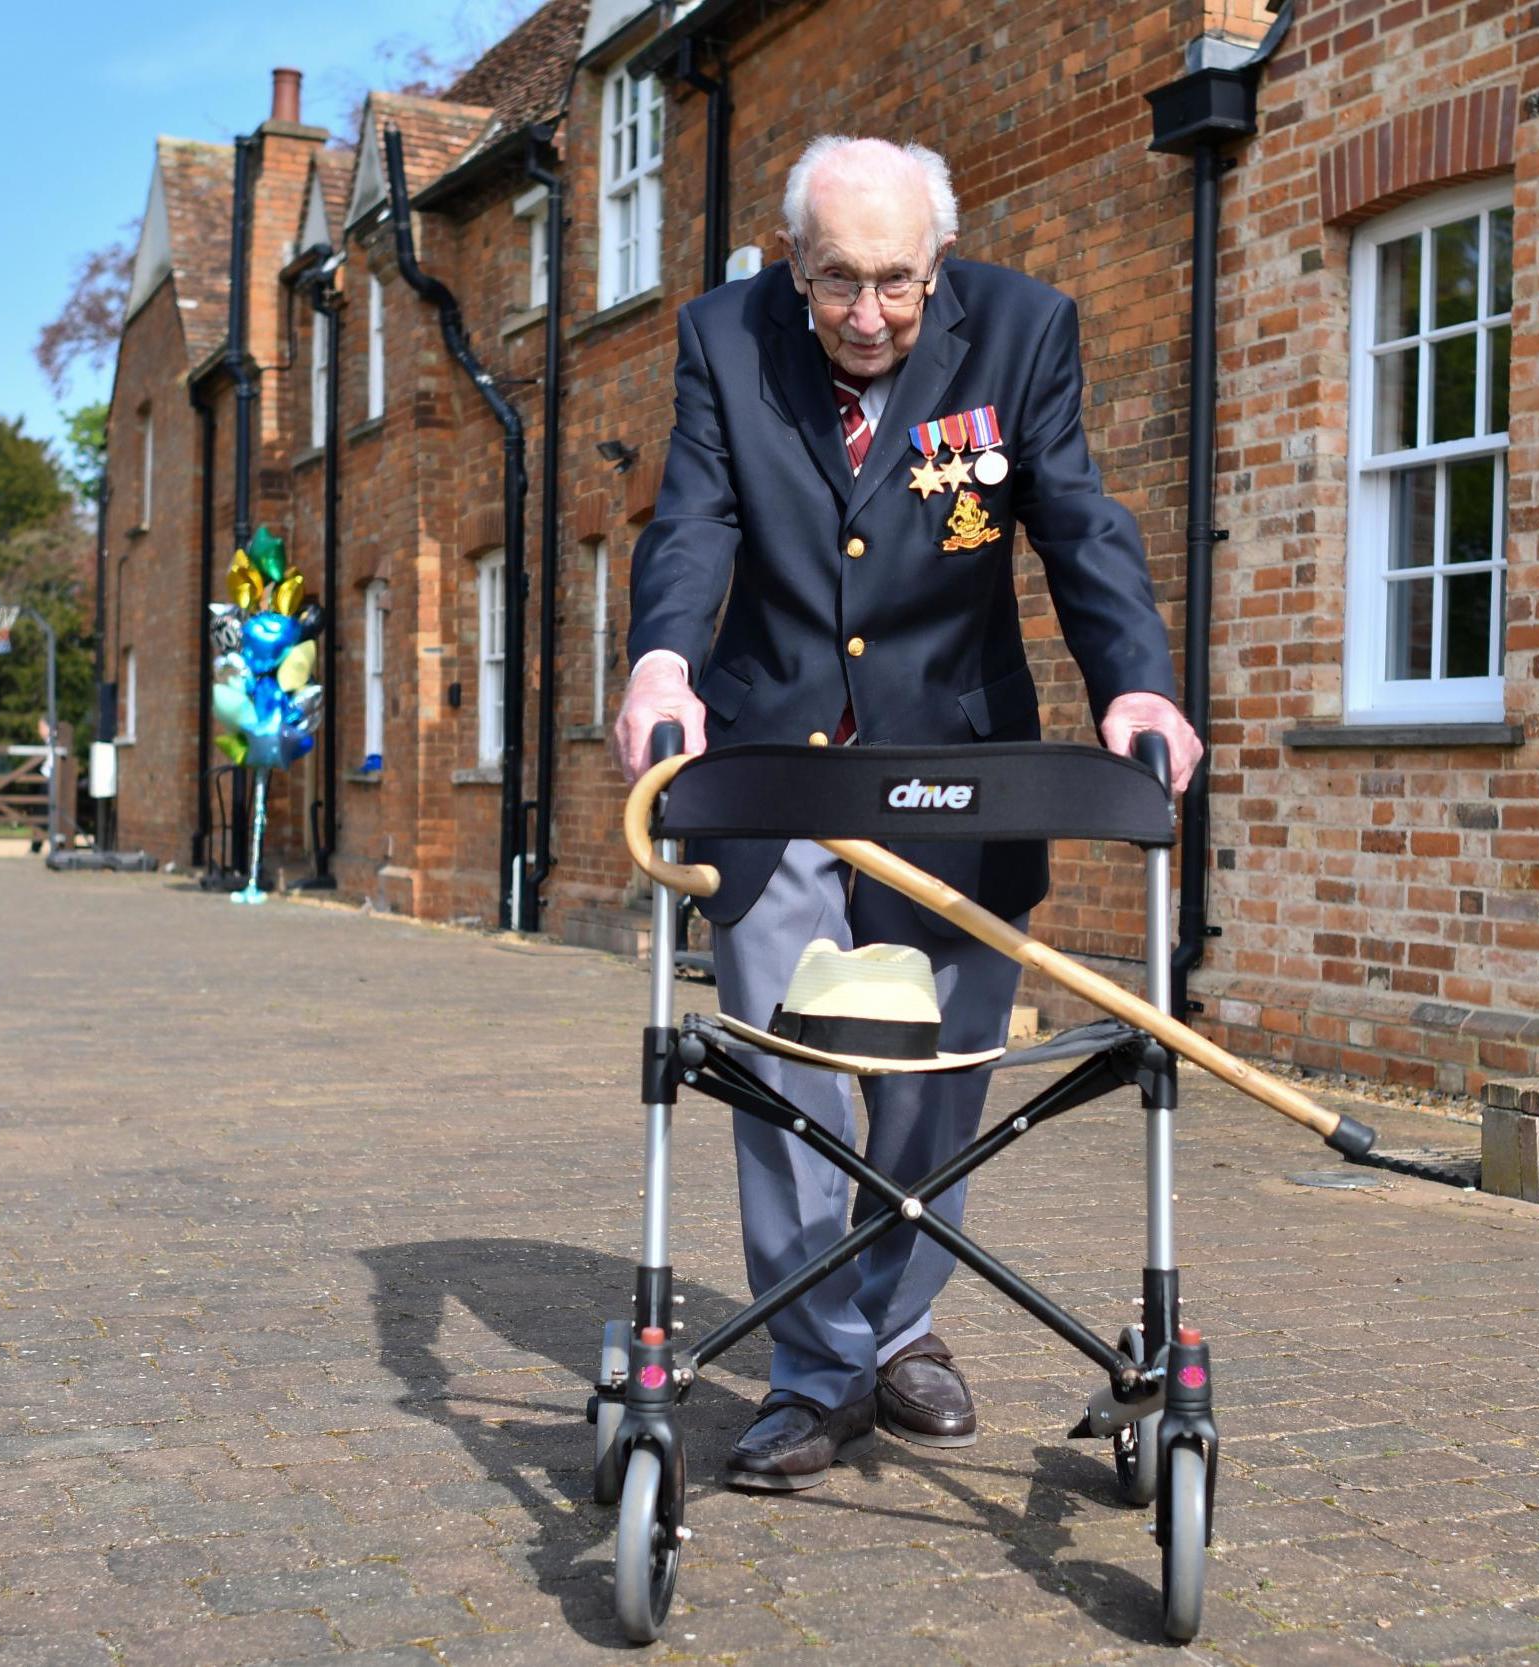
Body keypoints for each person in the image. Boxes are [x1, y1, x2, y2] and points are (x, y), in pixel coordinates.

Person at [615, 135, 1201, 1491]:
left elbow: (1077, 522)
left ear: (937, 265)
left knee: (939, 1079)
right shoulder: (722, 337)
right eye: (836, 284)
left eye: (895, 282)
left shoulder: (1024, 329)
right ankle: (817, 1370)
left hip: (960, 754)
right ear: (789, 263)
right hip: (772, 760)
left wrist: (1137, 690)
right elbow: (691, 524)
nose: (868, 314)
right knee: (784, 1065)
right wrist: (659, 661)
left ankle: (904, 1325)